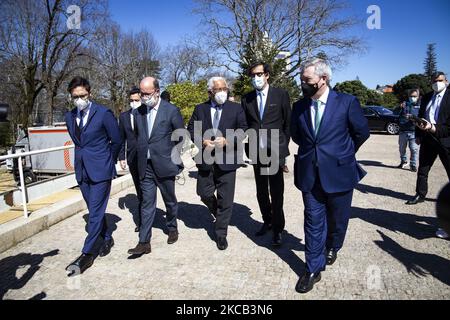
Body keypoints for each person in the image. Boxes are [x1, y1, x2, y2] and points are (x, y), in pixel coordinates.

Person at [291, 59, 370, 293]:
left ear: (323, 79)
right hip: (309, 174)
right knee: (313, 221)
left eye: (307, 80)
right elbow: (297, 136)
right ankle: (313, 268)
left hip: (340, 172)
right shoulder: (299, 107)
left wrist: (342, 153)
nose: (302, 84)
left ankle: (334, 245)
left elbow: (361, 133)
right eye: (301, 79)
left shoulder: (347, 102)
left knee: (337, 219)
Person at [64, 76, 122, 275]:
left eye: (83, 95)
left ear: (90, 94)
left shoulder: (103, 113)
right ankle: (107, 238)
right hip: (82, 169)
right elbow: (78, 142)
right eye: (75, 96)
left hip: (101, 170)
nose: (79, 99)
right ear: (71, 97)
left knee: (95, 213)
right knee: (93, 209)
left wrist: (108, 161)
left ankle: (86, 254)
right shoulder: (69, 116)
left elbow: (116, 140)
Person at [187, 77, 247, 250]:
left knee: (226, 199)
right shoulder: (200, 109)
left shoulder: (236, 108)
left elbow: (243, 129)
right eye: (218, 89)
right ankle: (217, 211)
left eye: (224, 89)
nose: (222, 92)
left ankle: (221, 233)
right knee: (203, 192)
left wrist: (228, 140)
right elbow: (192, 129)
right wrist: (202, 141)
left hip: (228, 159)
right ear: (210, 92)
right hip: (206, 159)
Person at [127, 77, 184, 256]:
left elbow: (181, 136)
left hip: (165, 164)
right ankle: (144, 242)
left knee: (169, 200)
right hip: (146, 166)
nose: (143, 97)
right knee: (146, 203)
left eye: (147, 94)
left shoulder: (171, 110)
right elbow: (138, 136)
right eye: (141, 94)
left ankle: (172, 227)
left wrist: (169, 153)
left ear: (157, 92)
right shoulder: (138, 113)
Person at [241, 61, 292, 247]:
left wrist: (283, 146)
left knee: (277, 192)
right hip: (256, 151)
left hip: (276, 151)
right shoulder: (246, 99)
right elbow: (245, 123)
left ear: (267, 75)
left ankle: (278, 229)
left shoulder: (281, 95)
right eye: (253, 75)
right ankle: (267, 221)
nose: (256, 78)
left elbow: (288, 123)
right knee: (261, 191)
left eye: (259, 74)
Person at [407, 72, 450, 239]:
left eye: (440, 81)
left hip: (445, 140)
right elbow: (422, 118)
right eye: (434, 81)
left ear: (446, 81)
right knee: (423, 169)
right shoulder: (426, 97)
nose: (437, 83)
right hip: (428, 139)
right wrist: (418, 133)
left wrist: (434, 128)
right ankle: (420, 194)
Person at [119, 86, 142, 232]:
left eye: (137, 100)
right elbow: (121, 138)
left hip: (149, 157)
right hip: (133, 157)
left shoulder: (147, 114)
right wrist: (122, 157)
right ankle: (142, 222)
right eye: (131, 100)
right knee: (140, 190)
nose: (134, 103)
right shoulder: (124, 117)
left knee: (149, 190)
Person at [397, 89, 421, 172]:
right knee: (401, 149)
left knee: (414, 149)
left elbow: (422, 119)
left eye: (414, 96)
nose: (412, 98)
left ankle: (413, 164)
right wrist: (399, 107)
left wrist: (413, 117)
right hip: (403, 131)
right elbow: (395, 113)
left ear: (418, 96)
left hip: (414, 132)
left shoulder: (421, 106)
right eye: (411, 96)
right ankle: (403, 161)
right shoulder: (404, 104)